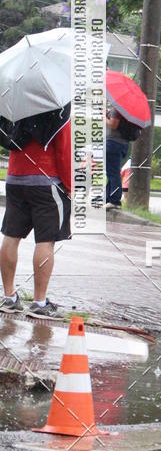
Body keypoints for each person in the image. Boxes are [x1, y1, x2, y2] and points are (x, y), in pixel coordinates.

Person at [0, 119, 71, 318]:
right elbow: (64, 153)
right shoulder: (58, 108)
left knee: (11, 236)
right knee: (45, 241)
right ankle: (39, 303)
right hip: (46, 180)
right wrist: (71, 186)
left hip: (14, 177)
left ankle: (9, 298)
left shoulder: (16, 107)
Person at [106, 108, 129, 209]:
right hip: (122, 144)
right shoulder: (125, 109)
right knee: (111, 172)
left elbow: (113, 125)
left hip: (114, 143)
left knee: (113, 173)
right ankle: (108, 199)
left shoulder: (117, 108)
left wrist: (103, 116)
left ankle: (114, 201)